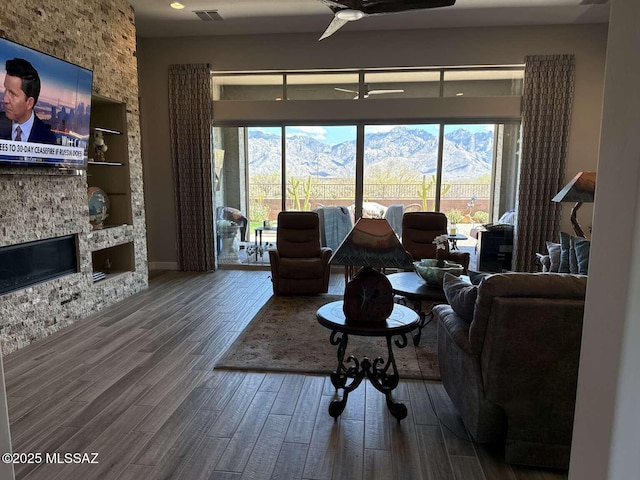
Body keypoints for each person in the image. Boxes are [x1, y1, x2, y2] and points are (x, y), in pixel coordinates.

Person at [0, 58, 58, 144]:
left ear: (29, 103)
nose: (5, 99)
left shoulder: (48, 139)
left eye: (12, 94)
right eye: (5, 89)